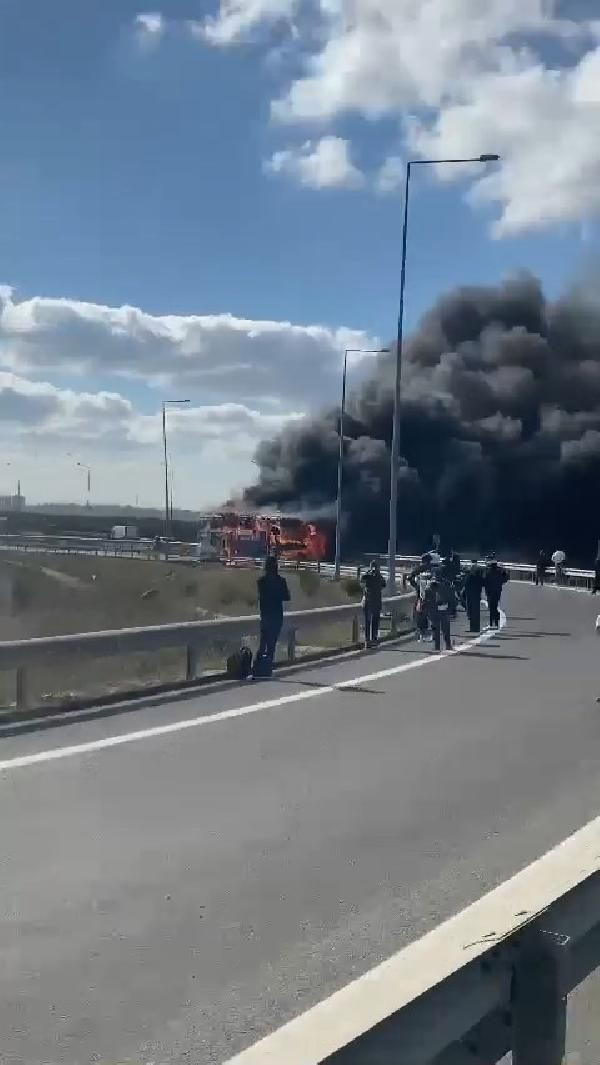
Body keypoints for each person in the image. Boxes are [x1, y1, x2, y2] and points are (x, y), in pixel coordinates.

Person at [255, 554, 290, 675]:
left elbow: (261, 597)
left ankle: (258, 667)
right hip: (276, 615)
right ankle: (267, 668)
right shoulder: (281, 581)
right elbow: (287, 597)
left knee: (263, 642)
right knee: (271, 644)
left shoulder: (261, 582)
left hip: (265, 615)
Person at [423, 571, 453, 651]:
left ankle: (437, 647)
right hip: (444, 608)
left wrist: (427, 609)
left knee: (436, 628)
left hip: (434, 609)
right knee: (446, 629)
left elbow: (425, 598)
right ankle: (448, 645)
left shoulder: (429, 585)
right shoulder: (447, 584)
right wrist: (451, 608)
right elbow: (451, 597)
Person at [361, 559, 386, 647]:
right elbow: (362, 579)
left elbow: (384, 584)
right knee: (368, 621)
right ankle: (367, 641)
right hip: (368, 601)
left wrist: (376, 574)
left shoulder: (379, 576)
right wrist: (370, 572)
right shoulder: (368, 575)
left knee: (375, 621)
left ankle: (374, 639)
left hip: (376, 601)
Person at [409, 554, 434, 641]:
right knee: (430, 612)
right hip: (432, 594)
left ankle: (421, 629)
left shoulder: (419, 569)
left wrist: (416, 586)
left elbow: (409, 578)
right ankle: (430, 630)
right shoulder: (432, 569)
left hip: (421, 593)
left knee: (419, 611)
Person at [484, 560, 508, 629]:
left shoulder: (488, 573)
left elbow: (486, 583)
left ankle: (492, 622)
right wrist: (504, 573)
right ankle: (496, 620)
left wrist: (486, 592)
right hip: (497, 593)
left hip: (490, 593)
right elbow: (505, 580)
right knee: (494, 606)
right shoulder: (499, 573)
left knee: (491, 607)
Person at [463, 559, 485, 633]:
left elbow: (465, 584)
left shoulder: (469, 577)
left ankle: (473, 628)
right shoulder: (479, 578)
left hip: (470, 596)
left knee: (471, 612)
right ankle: (476, 628)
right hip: (476, 595)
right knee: (475, 613)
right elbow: (483, 583)